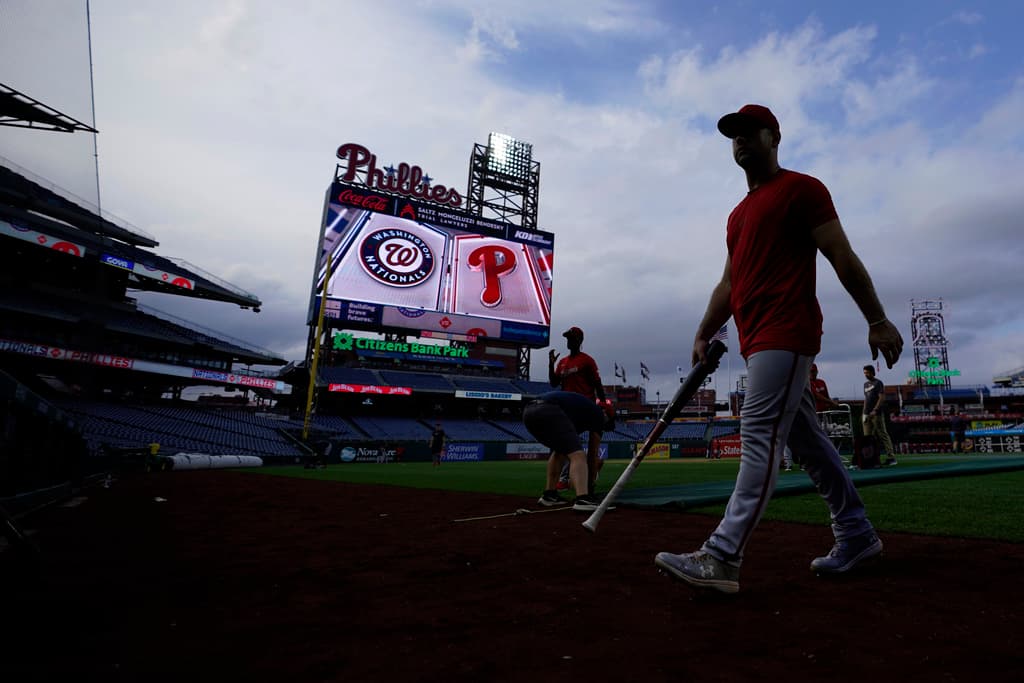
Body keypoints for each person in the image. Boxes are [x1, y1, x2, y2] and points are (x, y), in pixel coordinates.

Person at [654, 104, 904, 594]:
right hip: (757, 339)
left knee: (759, 434)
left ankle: (722, 555)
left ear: (775, 137)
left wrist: (877, 319)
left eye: (751, 132)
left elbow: (840, 254)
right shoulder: (737, 215)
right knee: (807, 443)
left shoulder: (802, 189)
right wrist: (704, 331)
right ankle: (856, 534)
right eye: (735, 135)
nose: (741, 140)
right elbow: (729, 283)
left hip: (786, 331)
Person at [522, 391, 615, 511]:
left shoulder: (583, 412)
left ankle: (549, 496)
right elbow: (592, 454)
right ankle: (583, 499)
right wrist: (590, 485)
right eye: (608, 420)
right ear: (605, 413)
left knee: (559, 451)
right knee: (578, 455)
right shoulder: (598, 414)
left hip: (528, 412)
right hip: (548, 409)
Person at [548, 326, 608, 489]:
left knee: (587, 446)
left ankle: (584, 479)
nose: (569, 341)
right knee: (564, 444)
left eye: (572, 338)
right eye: (567, 338)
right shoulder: (562, 362)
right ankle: (573, 477)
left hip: (586, 407)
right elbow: (553, 383)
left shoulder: (587, 360)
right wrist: (551, 365)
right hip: (568, 409)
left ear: (580, 340)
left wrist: (603, 406)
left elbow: (597, 385)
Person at [862, 365, 897, 466]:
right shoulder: (865, 384)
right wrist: (864, 413)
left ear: (872, 372)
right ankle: (870, 459)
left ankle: (891, 457)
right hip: (867, 414)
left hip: (876, 414)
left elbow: (881, 397)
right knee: (867, 438)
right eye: (864, 373)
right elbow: (866, 399)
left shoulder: (878, 383)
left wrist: (875, 410)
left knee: (883, 435)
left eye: (867, 373)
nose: (866, 375)